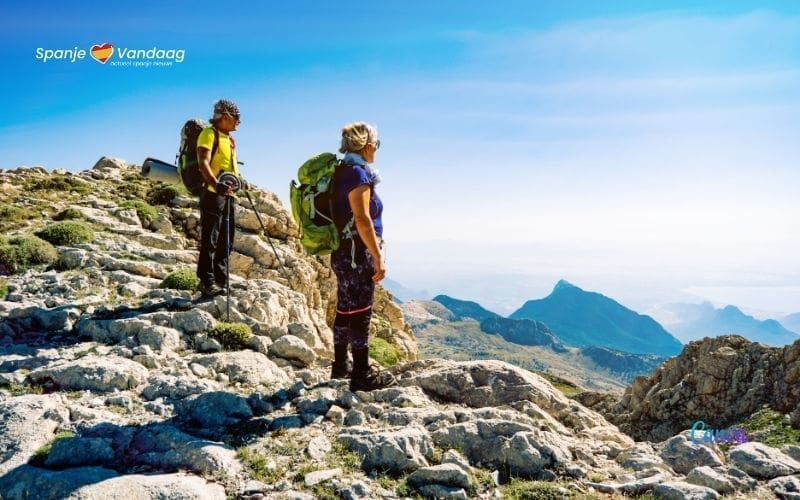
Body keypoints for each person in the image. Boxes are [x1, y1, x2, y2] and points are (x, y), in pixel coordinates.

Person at [329, 122, 394, 391]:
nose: (376, 150)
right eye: (377, 145)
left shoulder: (341, 171)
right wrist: (377, 256)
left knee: (345, 308)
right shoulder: (357, 174)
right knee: (361, 312)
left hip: (343, 251)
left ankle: (340, 366)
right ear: (367, 146)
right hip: (358, 252)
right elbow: (362, 219)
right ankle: (361, 374)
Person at [196, 99, 241, 298]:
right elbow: (203, 162)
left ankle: (221, 280)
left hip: (227, 194)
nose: (239, 122)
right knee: (211, 239)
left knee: (226, 240)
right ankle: (206, 282)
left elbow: (229, 166)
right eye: (236, 118)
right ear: (225, 117)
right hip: (213, 194)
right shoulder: (209, 134)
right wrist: (216, 184)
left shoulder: (229, 140)